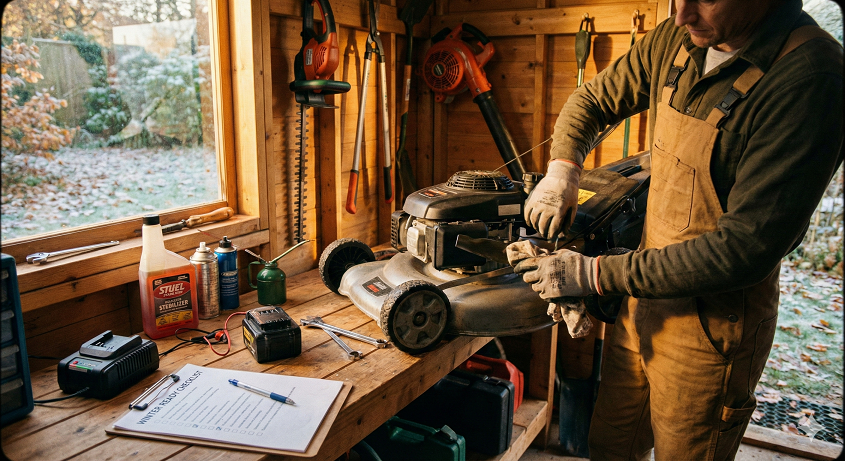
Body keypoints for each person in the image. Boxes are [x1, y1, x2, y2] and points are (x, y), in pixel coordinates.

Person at [514, 0, 843, 459]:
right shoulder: (680, 35)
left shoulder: (810, 77)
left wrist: (593, 276)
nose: (681, 14)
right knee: (610, 444)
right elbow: (593, 99)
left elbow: (743, 250)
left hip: (712, 327)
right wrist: (562, 170)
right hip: (640, 302)